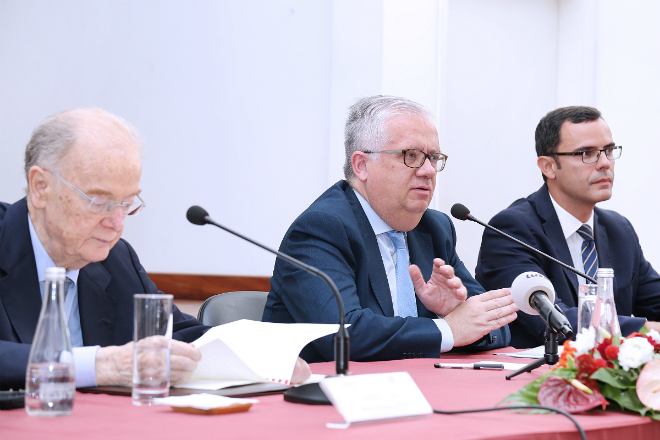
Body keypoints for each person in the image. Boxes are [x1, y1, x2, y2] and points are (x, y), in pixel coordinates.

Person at [0, 107, 310, 390]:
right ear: (41, 187)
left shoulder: (115, 260)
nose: (116, 223)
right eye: (98, 201)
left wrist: (259, 357)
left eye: (126, 203)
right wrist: (100, 366)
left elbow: (178, 336)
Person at [263, 95, 518, 362]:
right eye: (411, 155)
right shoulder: (321, 229)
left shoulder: (435, 228)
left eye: (433, 158)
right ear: (362, 165)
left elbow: (496, 324)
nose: (429, 171)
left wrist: (454, 311)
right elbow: (343, 336)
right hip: (318, 385)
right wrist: (448, 329)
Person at [476, 106, 660, 348]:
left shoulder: (619, 230)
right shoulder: (511, 230)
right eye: (586, 153)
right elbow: (551, 320)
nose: (605, 163)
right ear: (548, 166)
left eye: (608, 150)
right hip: (537, 369)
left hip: (607, 371)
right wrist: (646, 328)